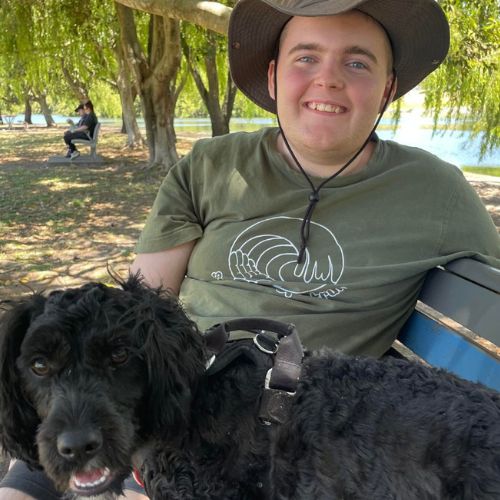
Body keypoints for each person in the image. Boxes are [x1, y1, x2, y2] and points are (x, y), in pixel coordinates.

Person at [1, 0, 499, 499]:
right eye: (306, 57)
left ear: (388, 87)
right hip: (158, 419)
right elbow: (132, 316)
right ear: (274, 75)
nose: (328, 79)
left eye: (357, 62)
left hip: (296, 450)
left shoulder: (438, 193)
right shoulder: (210, 165)